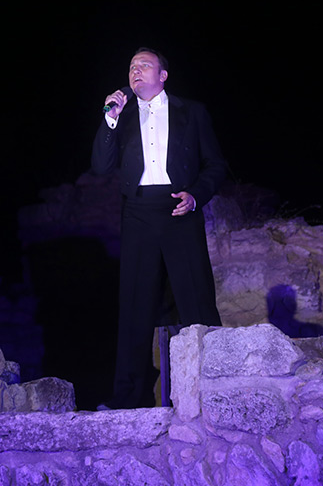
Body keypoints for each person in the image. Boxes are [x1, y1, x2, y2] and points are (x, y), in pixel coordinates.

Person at [91, 47, 227, 409]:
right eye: (131, 67)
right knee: (134, 305)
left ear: (163, 75)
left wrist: (196, 196)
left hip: (179, 207)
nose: (135, 70)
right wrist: (109, 119)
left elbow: (216, 165)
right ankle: (128, 398)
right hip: (137, 211)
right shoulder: (121, 115)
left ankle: (214, 389)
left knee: (196, 299)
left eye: (144, 65)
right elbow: (101, 167)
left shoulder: (191, 112)